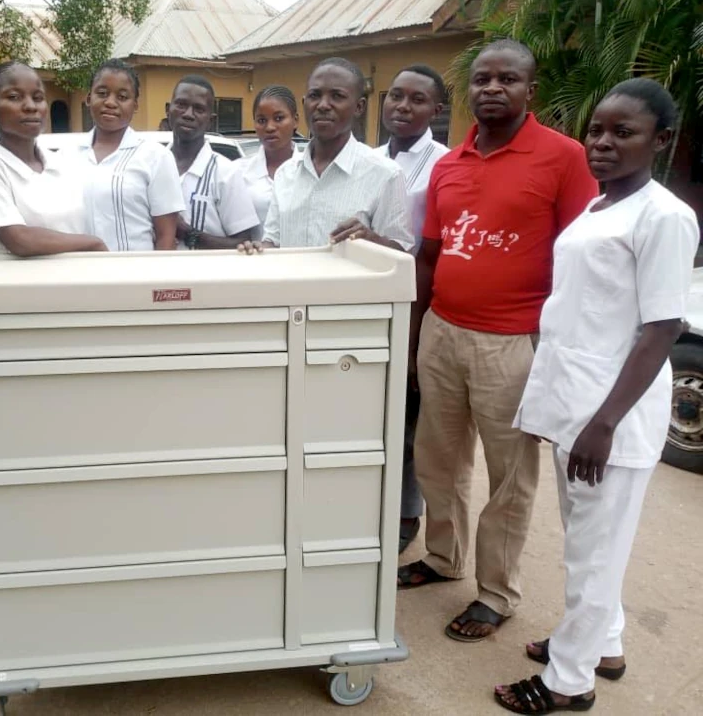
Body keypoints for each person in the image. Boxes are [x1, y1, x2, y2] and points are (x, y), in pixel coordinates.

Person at [492, 79, 698, 714]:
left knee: (593, 555)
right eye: (597, 131)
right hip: (575, 404)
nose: (603, 144)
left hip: (610, 417)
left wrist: (604, 423)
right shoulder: (602, 205)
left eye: (623, 133)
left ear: (660, 141)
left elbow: (662, 327)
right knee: (589, 540)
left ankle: (568, 682)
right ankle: (602, 647)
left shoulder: (664, 216)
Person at [398, 39, 600, 643]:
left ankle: (496, 592)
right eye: (482, 79)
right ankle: (441, 557)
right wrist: (416, 337)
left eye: (506, 79)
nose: (491, 88)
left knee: (510, 476)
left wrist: (556, 346)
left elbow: (580, 261)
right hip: (443, 332)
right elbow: (430, 255)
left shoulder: (564, 159)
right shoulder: (448, 164)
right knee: (438, 460)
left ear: (529, 90)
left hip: (514, 343)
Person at [376, 65, 451, 553]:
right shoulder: (367, 159)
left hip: (419, 300)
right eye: (396, 97)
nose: (403, 107)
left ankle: (407, 512)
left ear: (436, 111)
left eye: (416, 100)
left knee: (409, 417)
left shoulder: (444, 163)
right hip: (370, 299)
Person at [239, 57, 413, 253]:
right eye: (315, 95)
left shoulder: (385, 174)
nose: (323, 105)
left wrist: (370, 239)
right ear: (304, 103)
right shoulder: (286, 173)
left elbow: (401, 252)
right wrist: (256, 250)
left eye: (337, 96)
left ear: (359, 107)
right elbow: (273, 241)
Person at [0, 61, 105, 256]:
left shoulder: (62, 163)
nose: (30, 106)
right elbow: (20, 240)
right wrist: (92, 244)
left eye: (38, 98)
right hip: (25, 284)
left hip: (76, 281)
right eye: (14, 97)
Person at [76, 58, 183, 250]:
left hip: (136, 275)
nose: (110, 102)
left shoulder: (156, 157)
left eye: (122, 97)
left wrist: (159, 279)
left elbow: (166, 236)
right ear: (88, 98)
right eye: (102, 93)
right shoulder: (67, 156)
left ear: (135, 105)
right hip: (78, 274)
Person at [167, 75, 260, 248]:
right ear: (168, 110)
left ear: (211, 120)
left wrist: (186, 232)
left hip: (206, 275)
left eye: (199, 109)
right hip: (154, 274)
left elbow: (243, 243)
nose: (188, 114)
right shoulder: (151, 165)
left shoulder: (225, 172)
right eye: (181, 105)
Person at [235, 85, 304, 227]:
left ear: (295, 120)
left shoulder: (312, 170)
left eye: (279, 118)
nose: (270, 127)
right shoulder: (237, 173)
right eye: (261, 120)